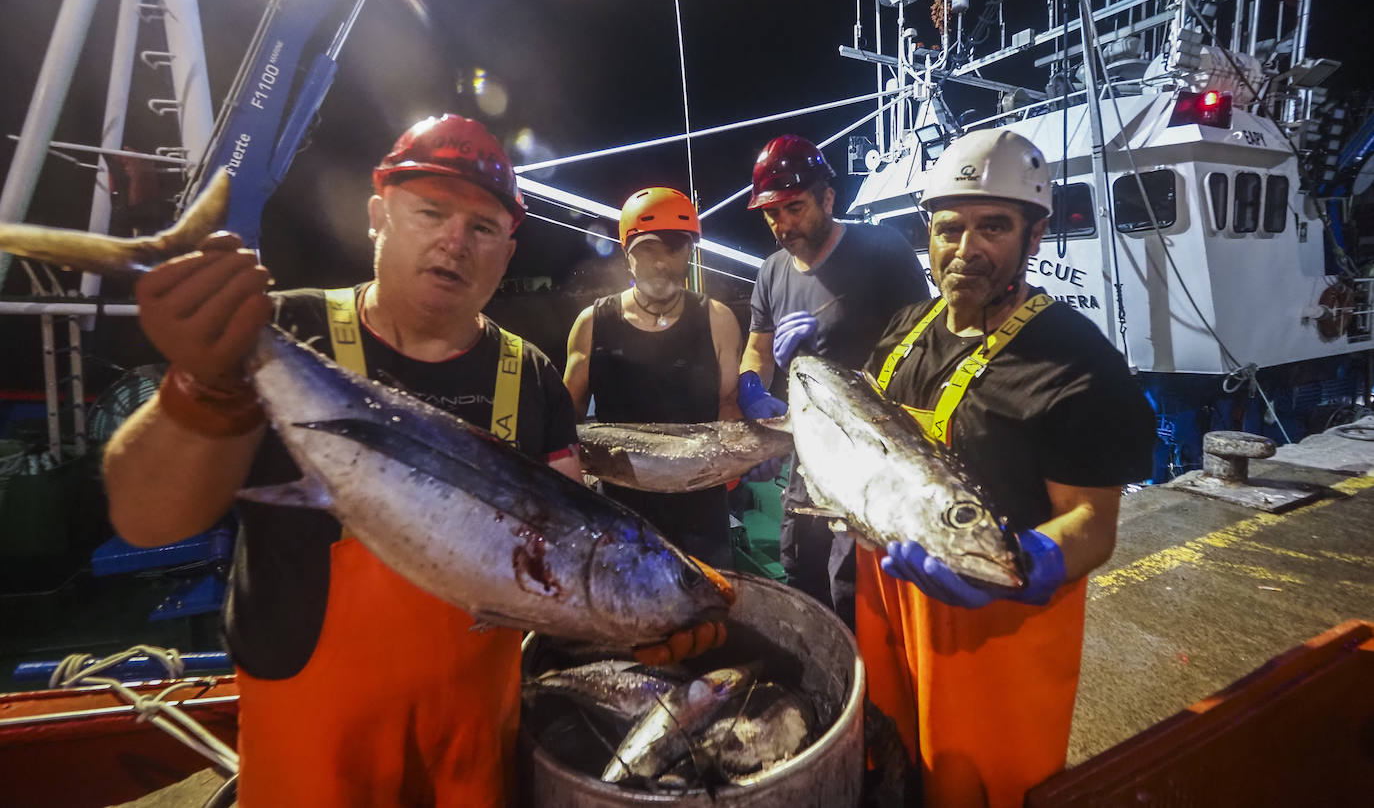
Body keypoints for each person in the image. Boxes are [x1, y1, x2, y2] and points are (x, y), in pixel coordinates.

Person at [102, 114, 725, 807]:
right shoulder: (284, 330)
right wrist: (201, 390)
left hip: (470, 738)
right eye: (431, 212)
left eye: (483, 227)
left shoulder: (533, 377)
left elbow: (565, 561)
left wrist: (627, 627)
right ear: (379, 215)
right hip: (311, 739)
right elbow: (145, 519)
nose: (454, 242)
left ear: (507, 249)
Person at [857, 128, 1157, 807]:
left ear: (1036, 233)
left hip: (998, 624)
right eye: (948, 228)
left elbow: (1094, 523)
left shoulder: (1078, 366)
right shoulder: (907, 329)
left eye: (993, 227)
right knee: (896, 762)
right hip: (892, 600)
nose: (966, 250)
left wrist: (1026, 566)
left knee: (985, 787)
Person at [738, 134, 930, 626]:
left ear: (828, 197)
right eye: (771, 213)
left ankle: (872, 691)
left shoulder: (883, 251)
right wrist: (752, 388)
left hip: (873, 458)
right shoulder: (771, 272)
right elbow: (758, 349)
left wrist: (839, 371)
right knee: (799, 563)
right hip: (808, 453)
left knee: (855, 582)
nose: (782, 225)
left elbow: (923, 349)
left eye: (794, 208)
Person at [563, 187, 744, 568]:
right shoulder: (593, 323)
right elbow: (565, 422)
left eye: (674, 248)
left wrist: (747, 454)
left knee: (709, 616)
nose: (661, 263)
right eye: (647, 249)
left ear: (690, 254)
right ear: (627, 254)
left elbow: (728, 407)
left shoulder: (719, 320)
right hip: (622, 514)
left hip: (703, 511)